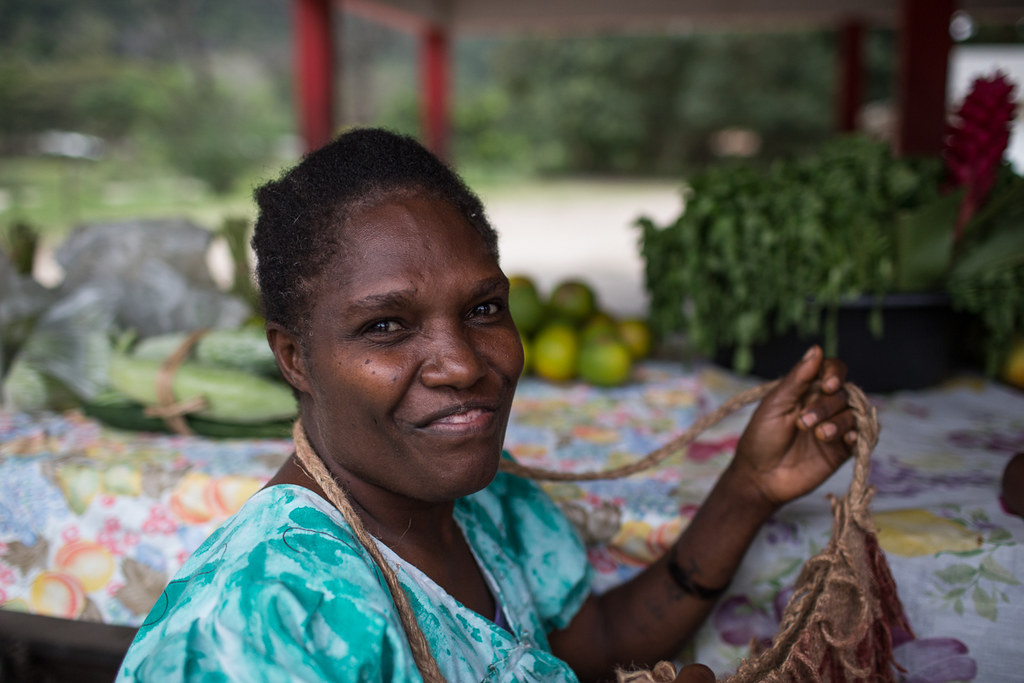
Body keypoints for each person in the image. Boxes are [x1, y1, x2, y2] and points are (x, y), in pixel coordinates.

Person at [116, 128, 859, 682]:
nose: (464, 364)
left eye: (482, 308)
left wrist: (747, 490)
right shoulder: (257, 622)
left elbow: (589, 644)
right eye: (386, 325)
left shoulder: (479, 500)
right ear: (294, 358)